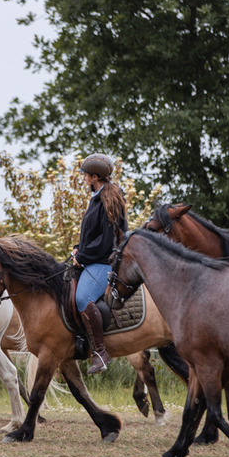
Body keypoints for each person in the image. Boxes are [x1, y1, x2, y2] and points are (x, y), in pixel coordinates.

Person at [71, 153, 127, 374]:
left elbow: (105, 242)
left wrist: (82, 257)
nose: (84, 178)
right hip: (91, 258)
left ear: (95, 176)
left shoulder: (108, 199)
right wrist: (78, 248)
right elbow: (90, 235)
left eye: (85, 175)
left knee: (82, 297)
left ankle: (100, 352)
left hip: (104, 262)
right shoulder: (97, 197)